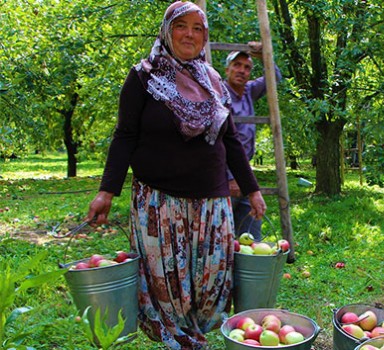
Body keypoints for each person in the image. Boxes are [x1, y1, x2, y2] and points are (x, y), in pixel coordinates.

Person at [84, 2, 266, 349]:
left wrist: (252, 188)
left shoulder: (213, 81)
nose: (190, 34)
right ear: (167, 30)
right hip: (159, 199)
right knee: (168, 283)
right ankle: (180, 342)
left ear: (205, 36)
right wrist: (106, 191)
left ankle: (196, 335)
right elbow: (124, 136)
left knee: (210, 279)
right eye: (182, 25)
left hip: (212, 201)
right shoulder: (144, 76)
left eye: (198, 28)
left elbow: (229, 138)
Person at [223, 46, 281, 241]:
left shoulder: (248, 91)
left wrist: (263, 55)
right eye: (236, 65)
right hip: (223, 174)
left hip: (245, 173)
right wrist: (231, 177)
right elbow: (218, 141)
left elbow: (275, 78)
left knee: (252, 231)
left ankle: (252, 265)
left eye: (247, 67)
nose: (242, 70)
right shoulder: (218, 94)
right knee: (223, 236)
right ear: (227, 70)